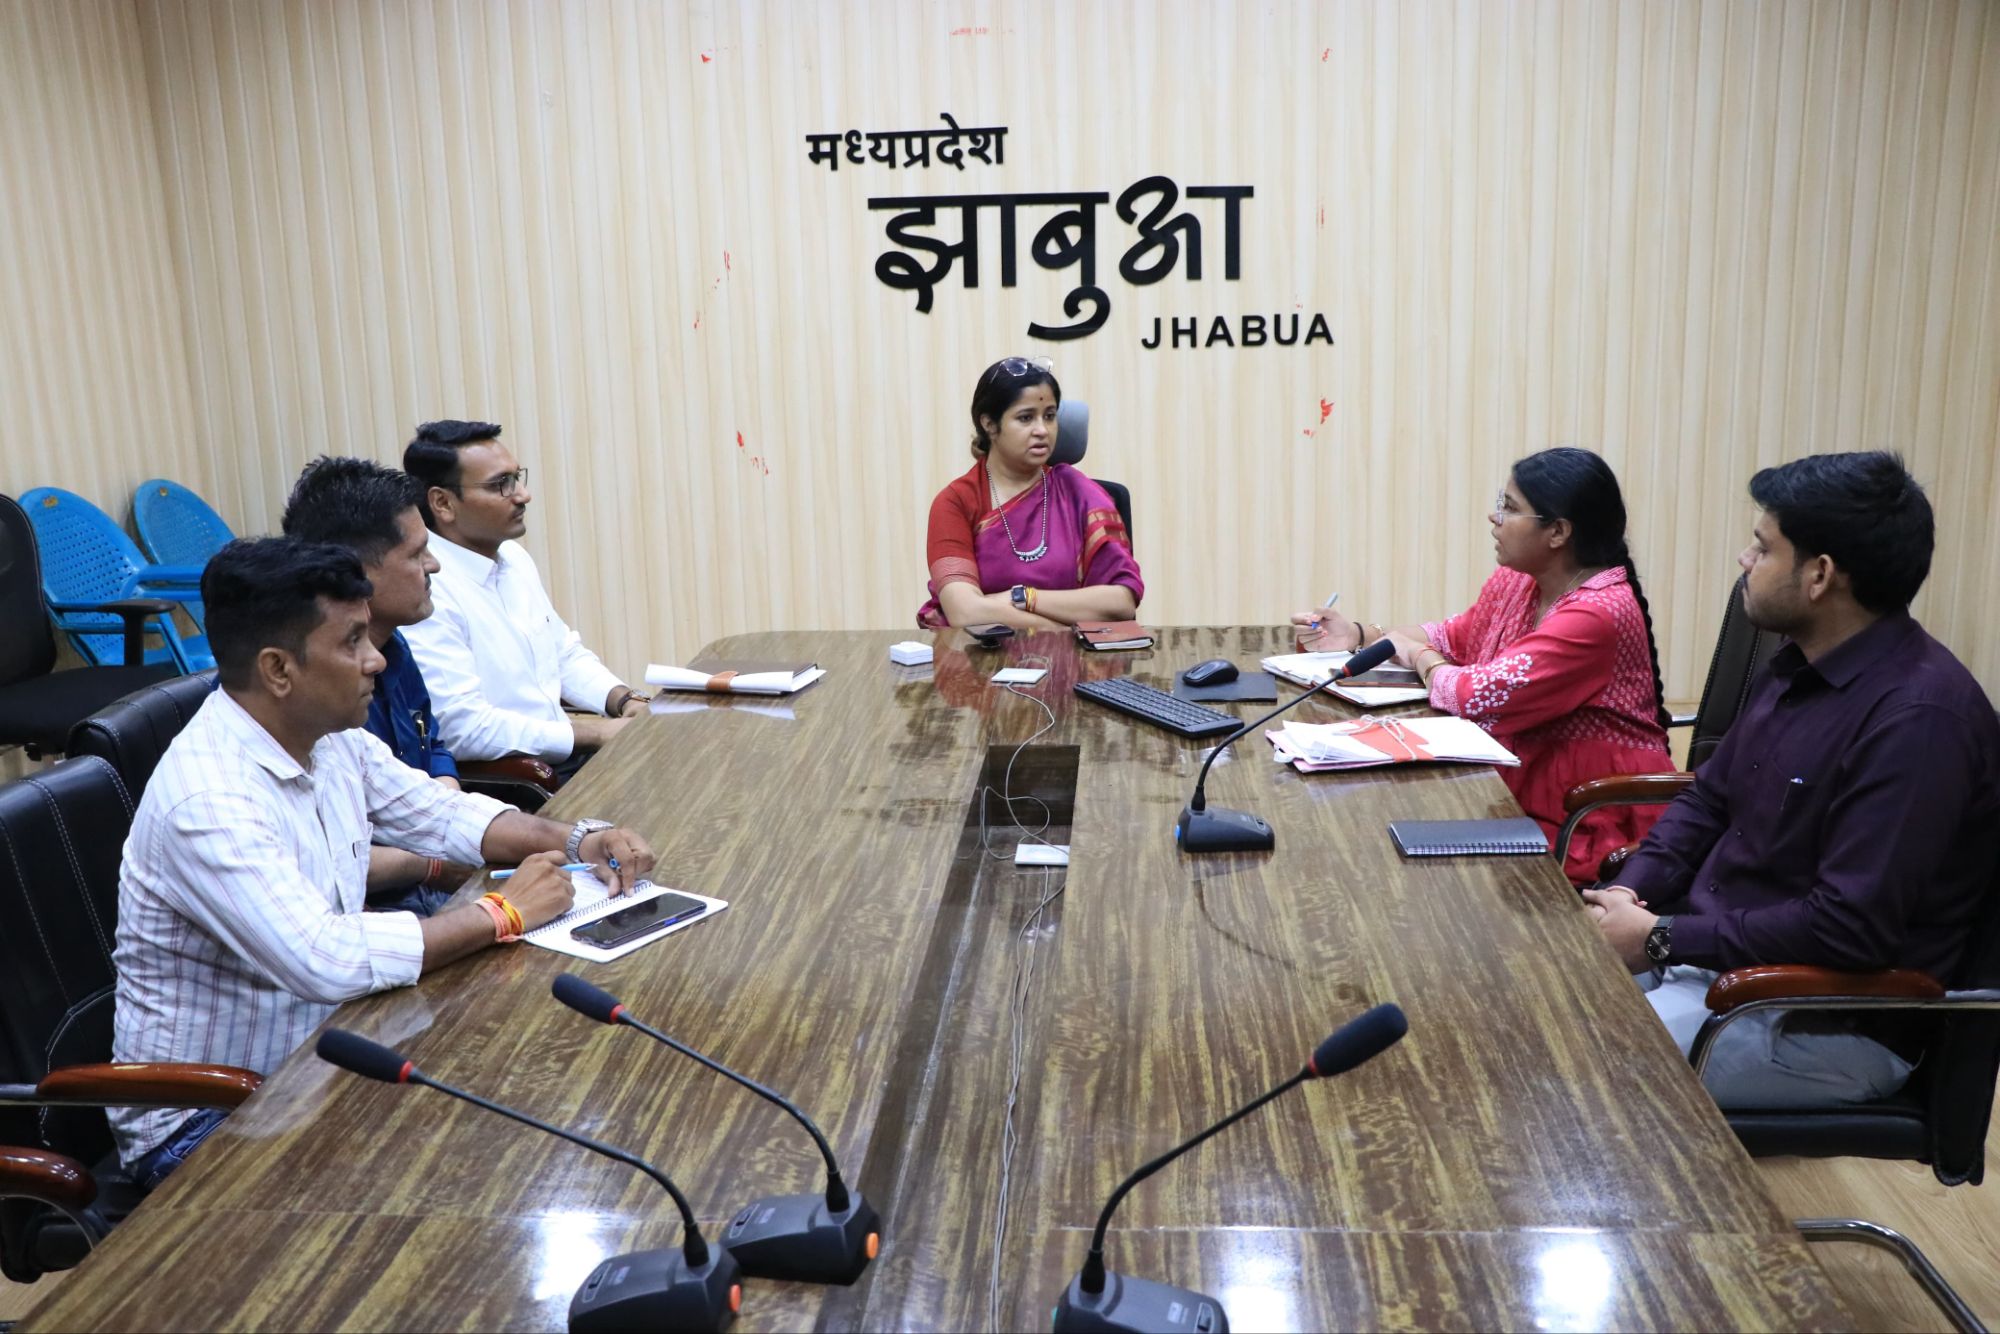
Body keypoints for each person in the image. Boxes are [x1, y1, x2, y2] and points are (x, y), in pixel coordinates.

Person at [111, 537, 656, 1189]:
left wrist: (577, 841)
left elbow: (440, 814)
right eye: (352, 643)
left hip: (321, 1056)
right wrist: (503, 913)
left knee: (528, 1099)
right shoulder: (207, 799)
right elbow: (324, 958)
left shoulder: (327, 736)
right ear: (279, 670)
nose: (376, 659)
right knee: (475, 1167)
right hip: (212, 1117)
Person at [1585, 452, 2000, 1109]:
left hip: (1820, 1017)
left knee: (1566, 1063)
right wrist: (1627, 895)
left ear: (1820, 575)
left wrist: (1660, 937)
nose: (1744, 560)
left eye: (1762, 546)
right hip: (1714, 966)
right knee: (1525, 995)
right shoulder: (1797, 664)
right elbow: (1709, 800)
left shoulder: (1919, 721)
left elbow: (1847, 928)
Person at [1292, 447, 1672, 881]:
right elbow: (1453, 638)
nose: (1495, 518)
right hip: (1517, 789)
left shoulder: (1597, 615)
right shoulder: (1519, 581)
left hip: (1590, 815)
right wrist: (1359, 635)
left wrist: (1419, 655)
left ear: (1558, 532)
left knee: (1410, 867)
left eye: (1510, 507)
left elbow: (1475, 695)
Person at [401, 420, 650, 779]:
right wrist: (596, 733)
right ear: (443, 502)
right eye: (500, 484)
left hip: (570, 756)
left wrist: (624, 700)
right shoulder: (426, 587)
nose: (522, 495)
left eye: (517, 478)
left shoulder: (513, 558)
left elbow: (563, 654)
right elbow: (463, 728)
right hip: (519, 779)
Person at [282, 455, 464, 915]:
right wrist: (433, 861)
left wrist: (444, 810)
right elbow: (323, 862)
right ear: (356, 573)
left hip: (430, 872)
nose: (434, 565)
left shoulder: (394, 647)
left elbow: (432, 746)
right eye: (417, 554)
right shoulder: (305, 691)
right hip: (364, 909)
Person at [917, 358, 1144, 630]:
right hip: (986, 654)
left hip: (1079, 656)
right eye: (1026, 418)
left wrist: (1024, 597)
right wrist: (1062, 634)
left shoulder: (1080, 494)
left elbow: (1122, 601)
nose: (1042, 430)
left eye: (1049, 416)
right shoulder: (955, 502)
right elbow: (965, 612)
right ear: (989, 424)